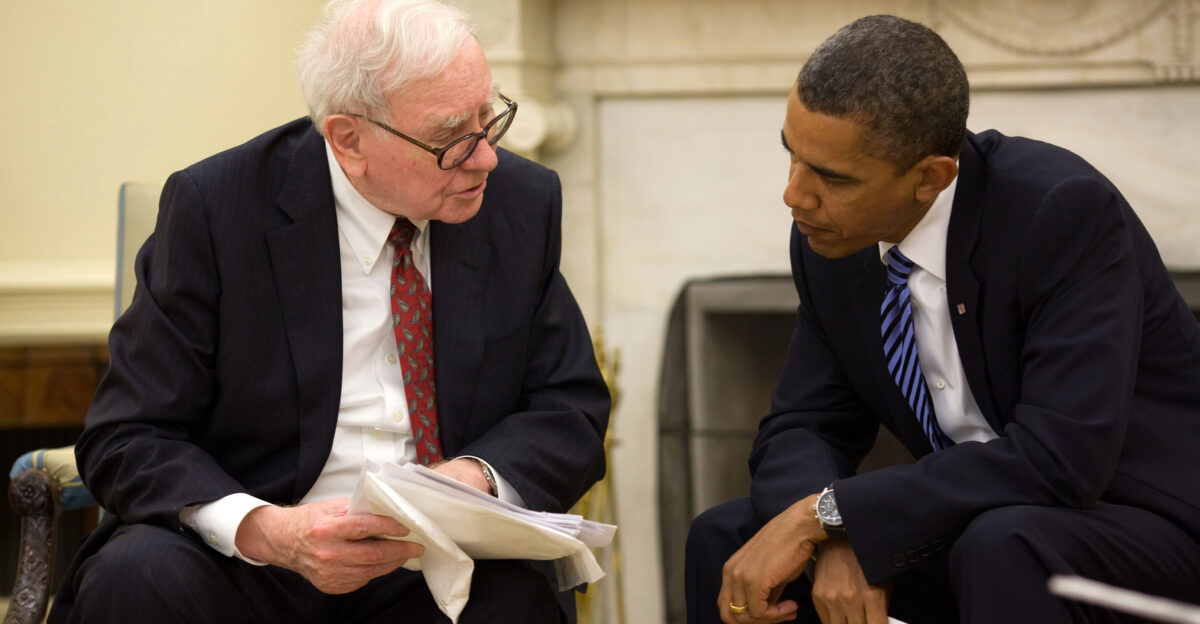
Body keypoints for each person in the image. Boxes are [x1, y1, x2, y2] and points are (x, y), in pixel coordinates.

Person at [47, 1, 610, 622]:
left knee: (517, 604)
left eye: (488, 117)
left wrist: (469, 481)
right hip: (251, 565)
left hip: (434, 568)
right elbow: (127, 434)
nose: (485, 158)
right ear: (349, 139)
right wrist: (268, 531)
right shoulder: (219, 210)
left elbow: (569, 409)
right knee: (134, 579)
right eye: (452, 136)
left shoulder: (519, 205)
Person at [686, 14, 1200, 624]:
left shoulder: (1059, 213)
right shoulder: (833, 238)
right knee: (728, 538)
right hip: (980, 520)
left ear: (931, 177)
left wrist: (831, 513)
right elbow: (804, 424)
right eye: (792, 156)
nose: (794, 195)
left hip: (1144, 527)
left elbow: (1059, 460)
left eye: (831, 176)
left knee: (1003, 544)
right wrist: (835, 537)